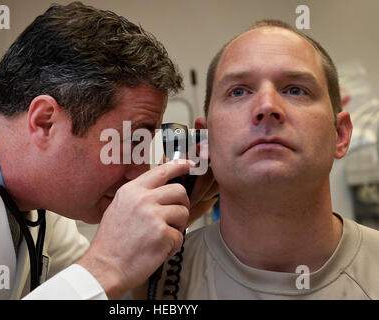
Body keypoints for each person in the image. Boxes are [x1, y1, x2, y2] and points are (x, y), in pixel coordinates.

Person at [0, 1, 214, 299]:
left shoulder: (43, 200)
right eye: (131, 141)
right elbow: (96, 277)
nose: (141, 172)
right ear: (44, 122)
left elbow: (103, 293)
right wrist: (108, 264)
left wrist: (174, 216)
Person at [157, 20, 379, 300]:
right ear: (205, 140)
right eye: (238, 91)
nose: (267, 107)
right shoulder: (145, 281)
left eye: (295, 89)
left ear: (340, 135)